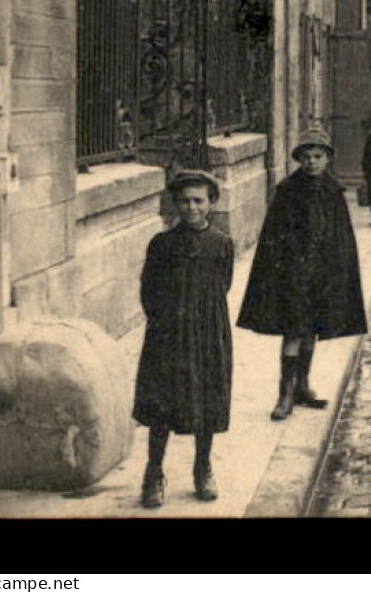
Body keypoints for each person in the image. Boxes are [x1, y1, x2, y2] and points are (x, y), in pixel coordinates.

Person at [237, 129, 368, 420]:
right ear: (299, 159)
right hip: (294, 272)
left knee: (311, 330)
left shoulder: (333, 190)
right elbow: (275, 234)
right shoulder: (288, 190)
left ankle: (302, 387)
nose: (311, 162)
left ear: (327, 159)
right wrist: (285, 267)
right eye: (306, 157)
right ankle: (284, 393)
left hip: (322, 272)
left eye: (317, 157)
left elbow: (340, 235)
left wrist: (338, 269)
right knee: (293, 331)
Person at [134, 170, 234, 508]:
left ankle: (203, 467)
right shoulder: (161, 244)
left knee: (206, 401)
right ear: (174, 204)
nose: (191, 208)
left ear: (211, 203)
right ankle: (153, 473)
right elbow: (149, 292)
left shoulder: (221, 243)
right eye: (184, 201)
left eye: (198, 201)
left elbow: (223, 284)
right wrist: (167, 324)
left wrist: (203, 319)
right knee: (163, 404)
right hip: (168, 337)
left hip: (208, 334)